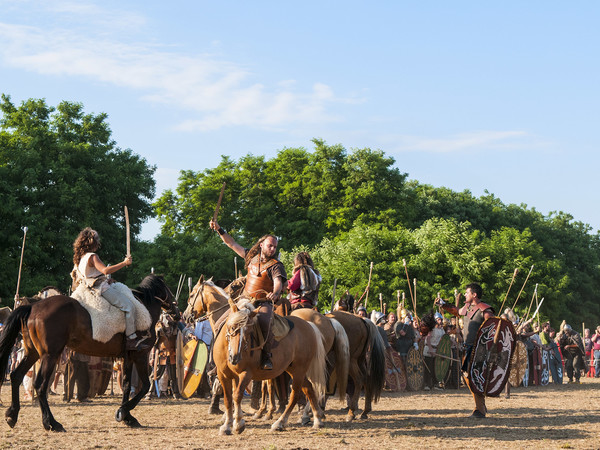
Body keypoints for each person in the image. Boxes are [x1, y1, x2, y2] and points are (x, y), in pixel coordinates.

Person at [210, 220, 286, 370]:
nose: (272, 249)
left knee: (264, 321)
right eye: (270, 245)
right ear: (261, 245)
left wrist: (275, 293)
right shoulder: (251, 257)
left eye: (275, 247)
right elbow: (232, 244)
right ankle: (217, 358)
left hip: (262, 303)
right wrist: (219, 229)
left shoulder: (276, 265)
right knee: (220, 323)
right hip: (244, 300)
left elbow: (278, 282)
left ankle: (266, 356)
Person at [71, 227, 149, 350]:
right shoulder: (92, 256)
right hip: (100, 288)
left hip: (88, 288)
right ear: (93, 242)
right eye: (97, 239)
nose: (99, 242)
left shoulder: (81, 259)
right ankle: (131, 340)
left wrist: (105, 278)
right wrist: (124, 263)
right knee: (129, 307)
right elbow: (105, 270)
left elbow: (93, 275)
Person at [436, 283, 494, 418]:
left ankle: (479, 409)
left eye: (467, 293)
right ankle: (480, 405)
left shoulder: (485, 311)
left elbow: (493, 329)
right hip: (468, 348)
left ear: (474, 295)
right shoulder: (468, 308)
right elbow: (457, 311)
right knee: (468, 377)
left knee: (474, 377)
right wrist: (443, 304)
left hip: (479, 349)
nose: (465, 294)